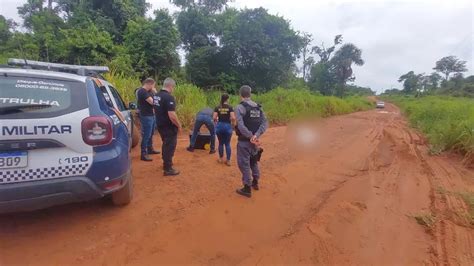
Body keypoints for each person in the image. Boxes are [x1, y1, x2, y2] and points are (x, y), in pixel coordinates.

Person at [235, 85, 268, 198]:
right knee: (253, 161)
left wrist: (250, 136)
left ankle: (247, 187)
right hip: (254, 141)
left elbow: (240, 125)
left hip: (245, 141)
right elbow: (265, 124)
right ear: (250, 94)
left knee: (243, 163)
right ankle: (255, 181)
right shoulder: (258, 107)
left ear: (240, 95)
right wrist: (256, 135)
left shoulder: (239, 107)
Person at [155, 78, 182, 176]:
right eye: (173, 87)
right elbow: (172, 115)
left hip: (160, 124)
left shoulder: (156, 96)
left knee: (165, 144)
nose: (173, 89)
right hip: (168, 126)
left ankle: (165, 163)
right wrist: (179, 125)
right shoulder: (169, 97)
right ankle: (168, 168)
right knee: (170, 146)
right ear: (170, 86)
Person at [136, 78, 160, 162]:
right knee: (146, 134)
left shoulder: (149, 92)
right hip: (146, 116)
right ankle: (143, 153)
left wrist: (155, 92)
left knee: (151, 133)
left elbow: (156, 99)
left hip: (151, 115)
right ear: (149, 84)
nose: (153, 87)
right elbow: (153, 102)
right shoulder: (142, 91)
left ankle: (150, 149)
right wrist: (155, 93)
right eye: (153, 85)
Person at [213, 94, 236, 166]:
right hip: (227, 126)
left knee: (220, 143)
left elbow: (214, 117)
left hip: (219, 126)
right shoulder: (230, 107)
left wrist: (216, 123)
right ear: (227, 99)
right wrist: (233, 125)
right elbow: (233, 118)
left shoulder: (217, 107)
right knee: (227, 144)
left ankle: (220, 159)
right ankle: (228, 161)